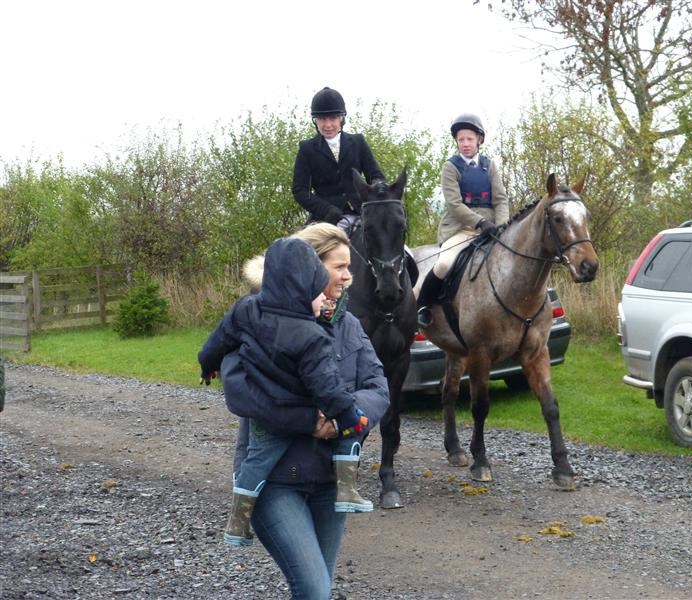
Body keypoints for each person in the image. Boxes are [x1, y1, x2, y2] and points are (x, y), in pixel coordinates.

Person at [236, 223, 388, 600]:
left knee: (318, 588)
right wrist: (310, 420)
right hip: (275, 481)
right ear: (310, 269)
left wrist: (342, 420)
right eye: (339, 267)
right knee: (315, 589)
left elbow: (378, 387)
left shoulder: (349, 325)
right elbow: (243, 394)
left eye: (349, 267)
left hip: (329, 482)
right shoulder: (259, 321)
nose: (348, 276)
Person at [197, 237, 376, 549]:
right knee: (350, 431)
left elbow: (217, 341)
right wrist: (351, 417)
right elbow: (327, 389)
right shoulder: (312, 337)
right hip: (298, 413)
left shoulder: (246, 310)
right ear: (303, 291)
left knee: (256, 462)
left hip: (266, 420)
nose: (323, 300)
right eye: (317, 292)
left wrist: (207, 365)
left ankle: (238, 522)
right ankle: (347, 488)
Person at [416, 113, 510, 327]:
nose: (465, 144)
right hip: (461, 229)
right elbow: (454, 205)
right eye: (461, 140)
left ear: (479, 140)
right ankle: (424, 306)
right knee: (443, 264)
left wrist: (502, 226)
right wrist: (480, 222)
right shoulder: (451, 167)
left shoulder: (489, 166)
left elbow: (501, 200)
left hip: (491, 229)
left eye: (469, 139)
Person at [292, 86, 385, 233]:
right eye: (322, 119)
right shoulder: (307, 149)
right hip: (326, 219)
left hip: (361, 213)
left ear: (341, 118)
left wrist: (378, 187)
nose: (328, 125)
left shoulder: (358, 142)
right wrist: (326, 209)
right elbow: (300, 190)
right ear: (315, 121)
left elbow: (375, 175)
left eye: (333, 118)